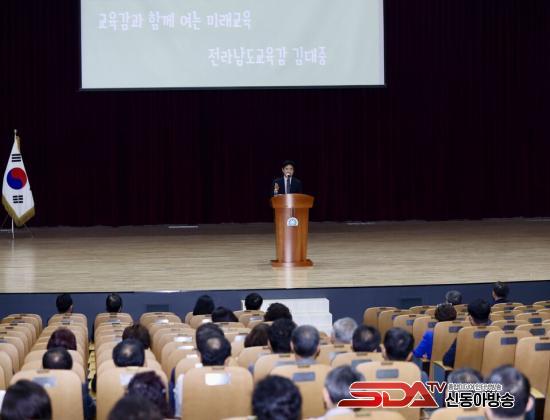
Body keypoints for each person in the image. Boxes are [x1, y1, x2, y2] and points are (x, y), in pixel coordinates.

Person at [42, 347, 96, 420]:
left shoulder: (34, 388)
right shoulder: (79, 389)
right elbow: (90, 414)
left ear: (44, 367)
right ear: (70, 367)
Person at [443, 298, 491, 367]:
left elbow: (447, 361)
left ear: (470, 318)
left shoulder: (463, 335)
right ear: (489, 316)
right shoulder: (497, 332)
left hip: (467, 373)